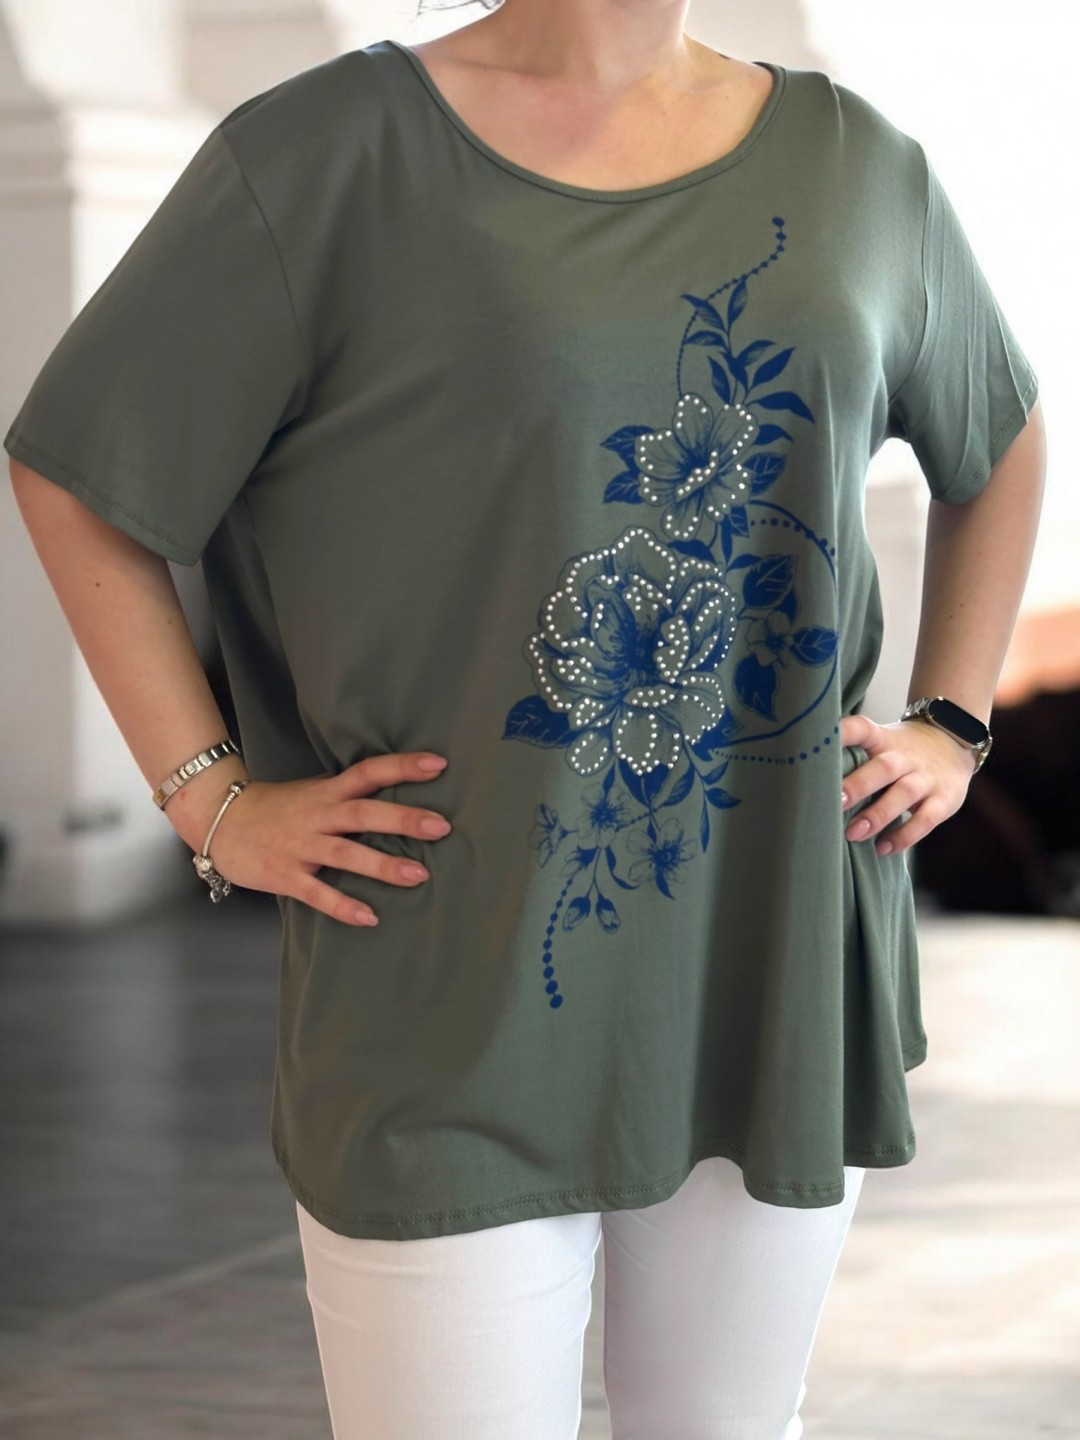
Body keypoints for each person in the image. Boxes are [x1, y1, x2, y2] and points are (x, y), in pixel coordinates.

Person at [6, 0, 1046, 1434]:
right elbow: (79, 472)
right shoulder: (326, 156)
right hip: (447, 976)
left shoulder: (859, 166)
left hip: (770, 958)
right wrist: (211, 797)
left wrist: (954, 721)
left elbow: (1000, 434)